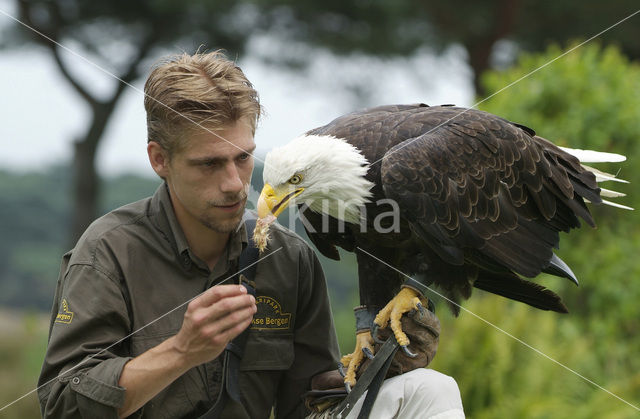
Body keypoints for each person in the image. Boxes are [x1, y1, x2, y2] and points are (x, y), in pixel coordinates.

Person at [37, 50, 464, 418]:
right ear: (160, 160)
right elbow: (61, 405)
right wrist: (181, 351)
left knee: (429, 389)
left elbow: (313, 401)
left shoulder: (289, 257)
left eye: (243, 158)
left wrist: (386, 363)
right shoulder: (108, 253)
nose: (235, 184)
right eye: (209, 164)